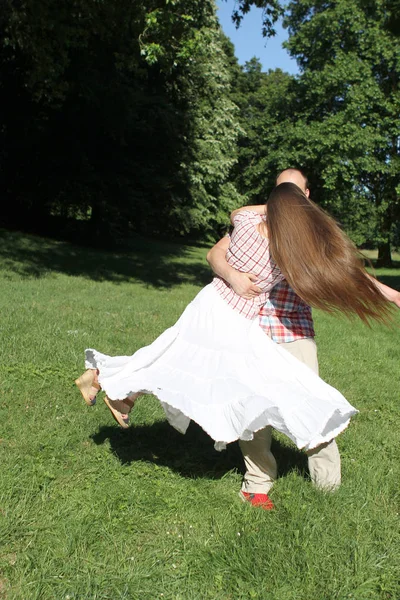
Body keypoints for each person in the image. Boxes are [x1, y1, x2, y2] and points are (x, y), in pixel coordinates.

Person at [76, 183, 392, 510]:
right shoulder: (285, 253)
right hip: (228, 321)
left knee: (172, 361)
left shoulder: (244, 226)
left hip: (212, 307)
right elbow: (335, 270)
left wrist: (273, 204)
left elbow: (237, 215)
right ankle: (114, 387)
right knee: (177, 366)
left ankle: (112, 386)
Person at [206, 169, 400, 509]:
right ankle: (257, 483)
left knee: (312, 406)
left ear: (306, 194)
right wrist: (234, 277)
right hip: (250, 329)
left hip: (294, 331)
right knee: (252, 411)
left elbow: (348, 271)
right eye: (282, 188)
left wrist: (391, 295)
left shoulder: (310, 229)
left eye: (293, 189)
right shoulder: (254, 222)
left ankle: (328, 488)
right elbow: (215, 255)